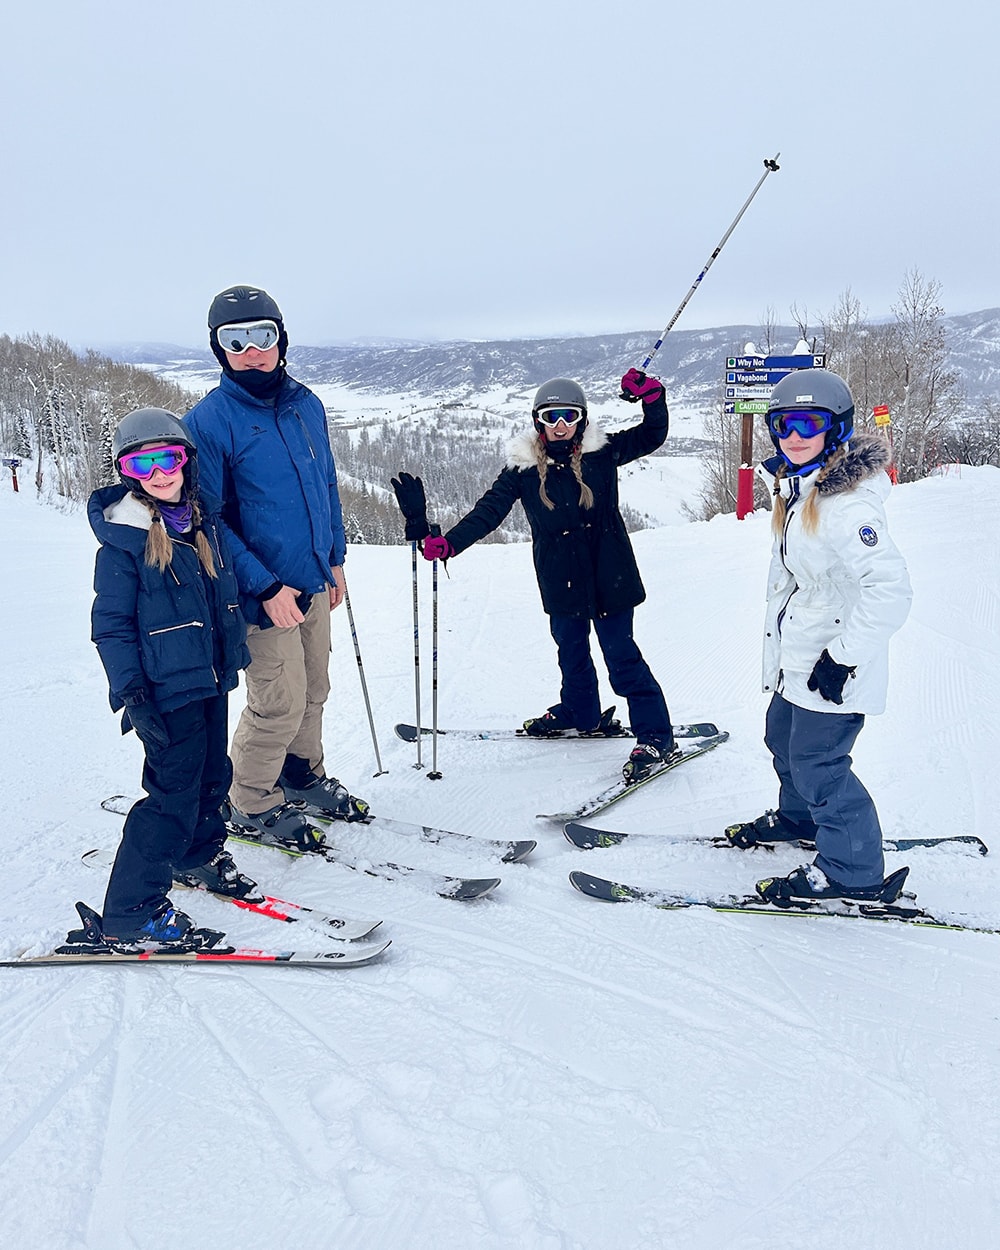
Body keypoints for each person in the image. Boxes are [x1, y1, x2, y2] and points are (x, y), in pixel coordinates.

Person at [392, 369, 678, 782]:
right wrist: (450, 543)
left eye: (568, 416)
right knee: (571, 653)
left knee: (622, 657)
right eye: (550, 417)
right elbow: (488, 512)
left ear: (581, 418)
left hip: (610, 575)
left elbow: (652, 434)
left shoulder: (603, 452)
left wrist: (652, 396)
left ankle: (655, 735)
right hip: (561, 580)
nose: (560, 426)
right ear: (537, 422)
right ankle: (581, 713)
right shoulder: (522, 472)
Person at [185, 285, 368, 848]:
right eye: (234, 341)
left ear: (281, 339)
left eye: (262, 336)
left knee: (315, 687)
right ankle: (251, 799)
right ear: (220, 351)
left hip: (313, 578)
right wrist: (264, 586)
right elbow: (208, 521)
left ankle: (301, 775)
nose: (251, 351)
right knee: (278, 698)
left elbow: (326, 487)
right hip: (261, 593)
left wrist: (334, 560)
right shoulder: (209, 422)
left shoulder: (306, 404)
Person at [726, 368, 913, 906]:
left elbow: (890, 591)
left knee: (820, 764)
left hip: (832, 664)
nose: (794, 435)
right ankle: (800, 818)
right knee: (781, 739)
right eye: (783, 424)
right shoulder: (800, 490)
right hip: (801, 658)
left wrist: (843, 658)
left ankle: (853, 870)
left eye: (809, 422)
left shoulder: (846, 506)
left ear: (837, 429)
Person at [89, 408, 258, 944]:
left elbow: (221, 598)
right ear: (127, 472)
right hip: (164, 691)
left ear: (187, 461)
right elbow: (111, 626)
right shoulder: (123, 541)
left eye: (170, 458)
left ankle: (197, 856)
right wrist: (132, 692)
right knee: (171, 797)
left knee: (213, 775)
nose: (160, 472)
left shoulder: (202, 524)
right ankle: (130, 911)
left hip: (209, 679)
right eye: (144, 463)